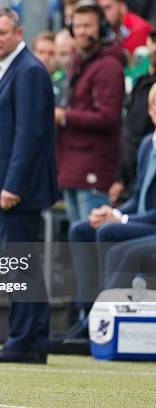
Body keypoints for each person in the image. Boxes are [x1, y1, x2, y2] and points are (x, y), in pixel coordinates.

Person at [0, 8, 58, 364]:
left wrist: (13, 185)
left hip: (18, 189)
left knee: (19, 265)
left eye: (0, 33)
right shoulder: (6, 68)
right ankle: (32, 340)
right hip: (6, 183)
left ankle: (24, 340)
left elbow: (30, 135)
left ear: (18, 32)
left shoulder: (29, 70)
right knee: (22, 265)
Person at [59, 82, 156, 344]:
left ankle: (100, 321)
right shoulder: (148, 144)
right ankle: (84, 311)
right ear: (149, 110)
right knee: (81, 228)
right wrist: (111, 211)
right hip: (142, 222)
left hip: (150, 226)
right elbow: (138, 198)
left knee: (111, 232)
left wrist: (120, 219)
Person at [55, 1, 126, 223]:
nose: (82, 32)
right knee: (78, 241)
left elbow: (108, 117)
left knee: (90, 246)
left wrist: (65, 116)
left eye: (88, 26)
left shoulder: (109, 67)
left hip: (94, 168)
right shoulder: (80, 62)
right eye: (77, 26)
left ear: (102, 28)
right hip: (72, 166)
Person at [110, 29, 156, 204]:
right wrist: (121, 178)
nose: (154, 48)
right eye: (152, 41)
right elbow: (129, 132)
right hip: (132, 179)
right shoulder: (141, 82)